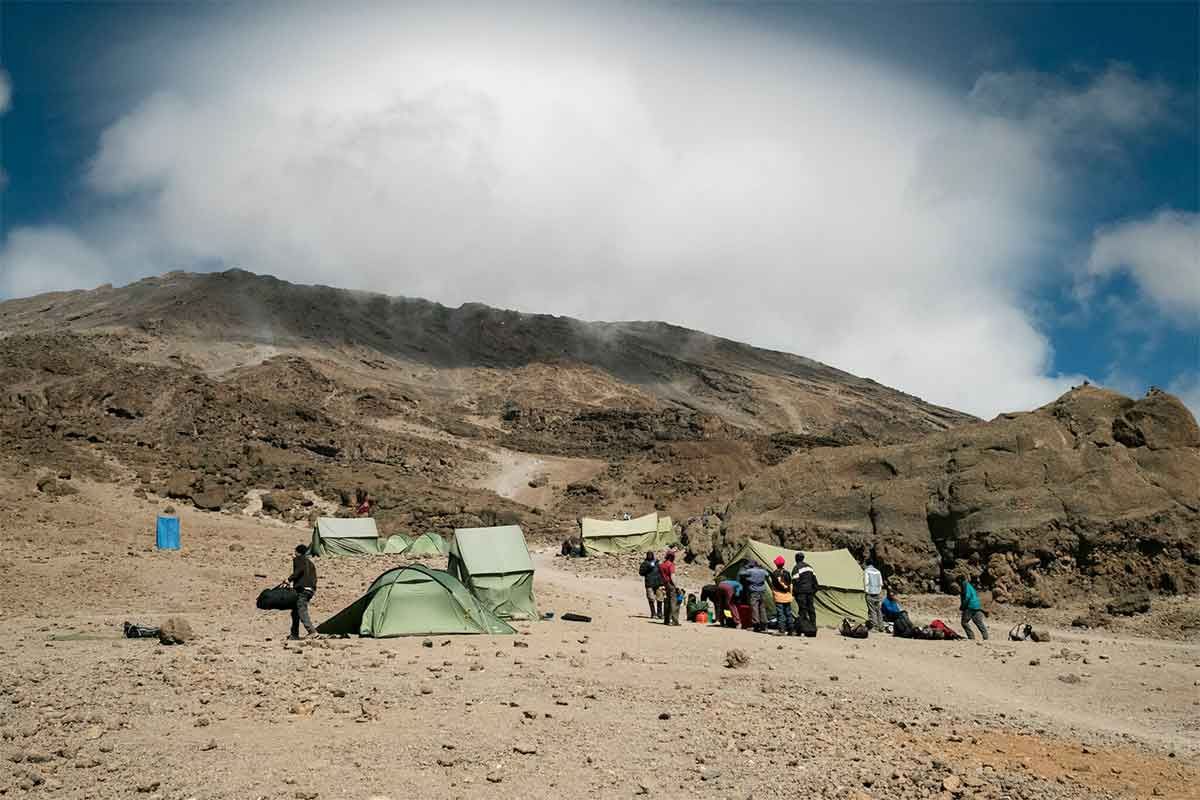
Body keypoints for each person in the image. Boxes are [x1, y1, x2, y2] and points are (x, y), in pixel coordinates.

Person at [288, 544, 318, 640]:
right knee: (295, 611)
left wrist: (289, 580)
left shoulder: (298, 560)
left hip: (302, 589)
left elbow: (298, 572)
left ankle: (312, 632)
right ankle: (294, 634)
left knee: (301, 610)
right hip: (311, 589)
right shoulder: (310, 563)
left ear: (297, 552)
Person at [737, 559, 771, 633]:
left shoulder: (750, 571)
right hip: (762, 591)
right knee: (762, 608)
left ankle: (756, 625)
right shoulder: (762, 571)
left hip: (754, 592)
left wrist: (746, 567)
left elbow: (740, 573)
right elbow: (767, 574)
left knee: (754, 608)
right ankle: (764, 625)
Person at [792, 552, 818, 635]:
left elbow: (795, 582)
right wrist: (813, 590)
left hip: (801, 592)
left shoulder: (796, 568)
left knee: (802, 610)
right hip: (810, 592)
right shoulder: (810, 567)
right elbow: (815, 581)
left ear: (796, 559)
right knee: (811, 610)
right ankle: (813, 628)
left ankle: (802, 629)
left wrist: (795, 593)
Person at [769, 555, 795, 635]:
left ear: (776, 564)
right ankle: (791, 630)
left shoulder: (774, 574)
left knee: (780, 614)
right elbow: (790, 584)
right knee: (788, 613)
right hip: (787, 596)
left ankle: (782, 630)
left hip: (779, 597)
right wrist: (791, 594)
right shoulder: (787, 573)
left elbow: (773, 585)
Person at [659, 551, 680, 626]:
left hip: (665, 584)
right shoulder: (670, 565)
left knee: (667, 602)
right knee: (674, 602)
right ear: (671, 557)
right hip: (671, 584)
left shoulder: (662, 565)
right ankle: (674, 621)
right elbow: (672, 576)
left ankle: (666, 620)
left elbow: (661, 576)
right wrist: (676, 586)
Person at [639, 551, 663, 619]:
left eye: (651, 555)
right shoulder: (644, 563)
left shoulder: (657, 563)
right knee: (651, 599)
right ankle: (653, 613)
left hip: (658, 583)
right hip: (649, 584)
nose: (650, 556)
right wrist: (649, 567)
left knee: (660, 599)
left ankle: (660, 614)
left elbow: (661, 571)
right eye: (648, 555)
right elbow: (641, 572)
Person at [864, 561, 884, 630]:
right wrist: (879, 592)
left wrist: (866, 592)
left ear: (867, 564)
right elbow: (881, 583)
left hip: (870, 593)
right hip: (878, 593)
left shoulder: (867, 571)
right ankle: (881, 626)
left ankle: (874, 626)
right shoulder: (878, 572)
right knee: (878, 610)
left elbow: (866, 582)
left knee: (872, 610)